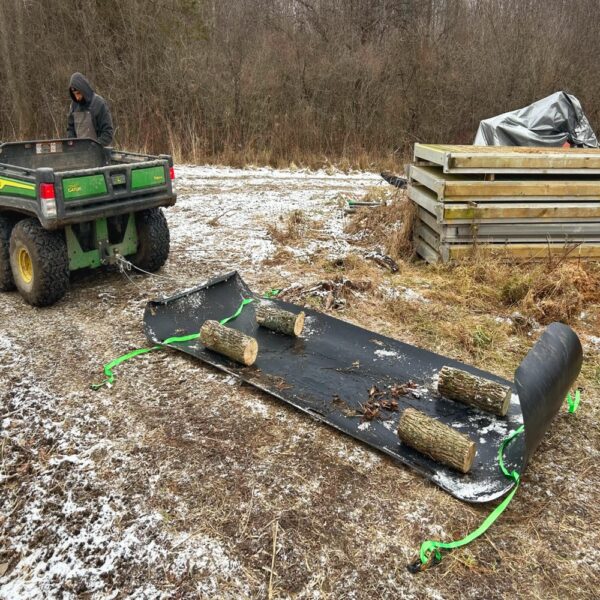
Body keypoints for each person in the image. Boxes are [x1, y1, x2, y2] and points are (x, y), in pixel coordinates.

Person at [67, 72, 114, 146]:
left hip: (98, 152)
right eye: (74, 94)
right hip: (79, 152)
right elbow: (70, 128)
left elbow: (107, 133)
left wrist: (94, 147)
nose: (77, 97)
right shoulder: (74, 105)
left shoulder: (99, 104)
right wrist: (73, 145)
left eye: (78, 93)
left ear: (83, 90)